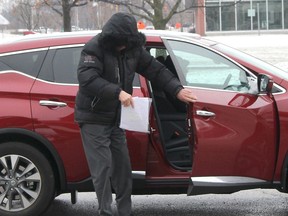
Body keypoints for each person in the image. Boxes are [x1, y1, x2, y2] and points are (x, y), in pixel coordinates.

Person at [74, 12, 197, 216]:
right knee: (102, 169)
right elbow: (87, 79)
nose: (124, 47)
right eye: (121, 43)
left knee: (123, 168)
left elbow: (155, 70)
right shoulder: (93, 48)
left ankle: (125, 212)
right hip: (93, 117)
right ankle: (105, 211)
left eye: (127, 43)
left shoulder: (133, 49)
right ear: (112, 39)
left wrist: (177, 90)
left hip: (117, 118)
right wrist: (117, 92)